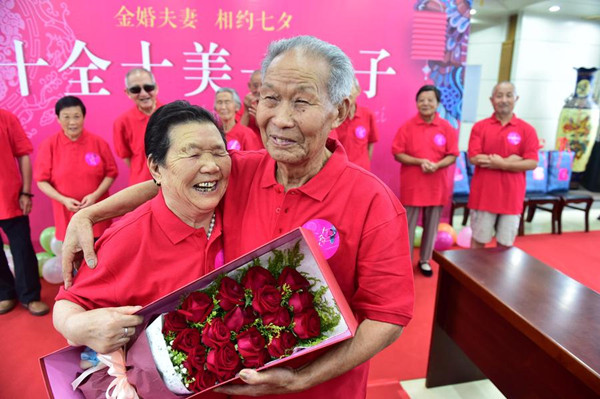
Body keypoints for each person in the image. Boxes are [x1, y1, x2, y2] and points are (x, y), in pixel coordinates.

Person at [61, 35, 414, 399]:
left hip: (323, 392)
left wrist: (301, 379)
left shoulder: (374, 202)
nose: (280, 119)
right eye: (270, 98)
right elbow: (174, 179)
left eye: (302, 102)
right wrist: (91, 213)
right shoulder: (243, 169)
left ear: (338, 112)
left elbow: (387, 318)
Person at [53, 101, 229, 355]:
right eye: (192, 154)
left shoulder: (237, 197)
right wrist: (75, 326)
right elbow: (70, 302)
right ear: (156, 168)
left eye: (218, 151)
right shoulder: (128, 238)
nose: (211, 166)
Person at [392, 85, 458, 276]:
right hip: (413, 185)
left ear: (437, 103)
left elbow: (452, 155)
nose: (426, 103)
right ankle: (405, 262)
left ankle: (425, 260)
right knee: (408, 226)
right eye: (422, 100)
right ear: (417, 103)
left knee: (432, 224)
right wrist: (420, 161)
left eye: (430, 100)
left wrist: (437, 165)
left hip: (436, 185)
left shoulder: (446, 127)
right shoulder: (408, 126)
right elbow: (397, 153)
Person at [34, 96, 118, 241]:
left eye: (76, 116)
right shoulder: (49, 145)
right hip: (66, 213)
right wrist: (63, 199)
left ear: (84, 117)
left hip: (97, 211)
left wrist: (95, 196)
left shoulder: (98, 143)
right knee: (74, 257)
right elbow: (41, 181)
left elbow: (111, 173)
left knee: (101, 252)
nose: (72, 122)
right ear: (58, 119)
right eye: (66, 117)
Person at [468, 81, 538, 248]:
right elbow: (474, 157)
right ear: (492, 100)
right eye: (499, 96)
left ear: (516, 98)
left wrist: (501, 163)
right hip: (483, 197)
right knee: (478, 242)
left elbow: (532, 162)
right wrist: (512, 161)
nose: (504, 100)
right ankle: (474, 275)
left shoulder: (527, 130)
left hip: (512, 198)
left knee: (505, 246)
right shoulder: (480, 127)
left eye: (509, 95)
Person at [0, 109, 49, 316]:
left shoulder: (6, 118)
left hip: (9, 195)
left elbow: (23, 155)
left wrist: (26, 192)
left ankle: (30, 296)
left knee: (22, 248)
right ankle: (5, 294)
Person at [113, 68, 161, 185]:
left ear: (156, 88)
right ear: (128, 93)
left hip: (172, 185)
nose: (143, 93)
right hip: (141, 186)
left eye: (148, 87)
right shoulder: (122, 122)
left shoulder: (172, 115)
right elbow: (126, 157)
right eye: (136, 89)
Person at [331, 79, 379, 170]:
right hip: (339, 168)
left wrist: (366, 163)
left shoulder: (368, 114)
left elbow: (371, 143)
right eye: (345, 89)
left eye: (351, 88)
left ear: (358, 90)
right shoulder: (335, 116)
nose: (348, 93)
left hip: (361, 169)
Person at [238, 69, 264, 148]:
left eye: (262, 86)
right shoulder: (243, 106)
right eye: (255, 86)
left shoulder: (273, 106)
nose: (259, 90)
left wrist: (260, 120)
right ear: (249, 86)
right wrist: (246, 111)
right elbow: (238, 133)